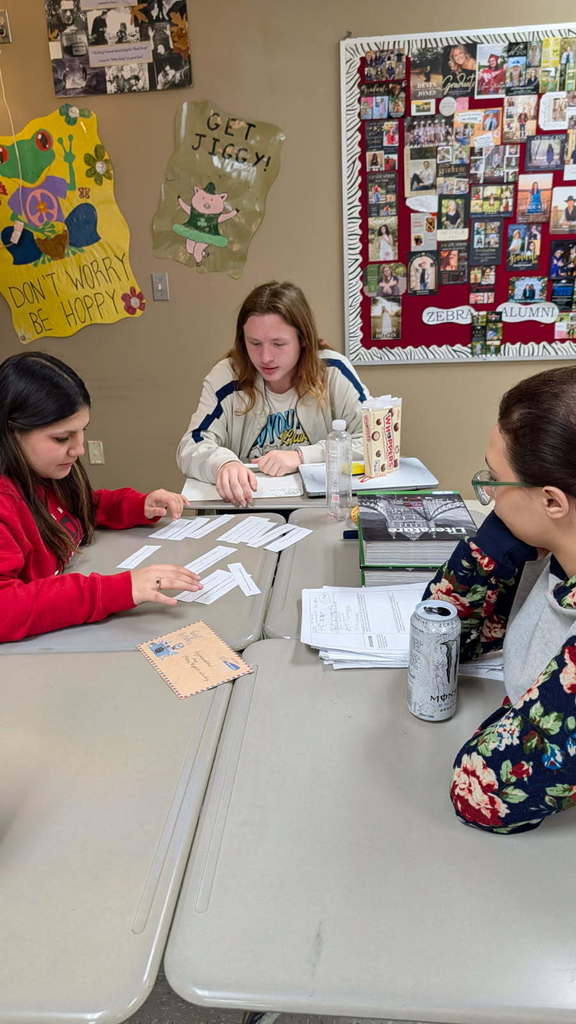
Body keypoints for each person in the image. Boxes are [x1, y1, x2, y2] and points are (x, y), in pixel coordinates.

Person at [425, 366, 576, 834]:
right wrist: (499, 538)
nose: (488, 493)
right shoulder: (553, 548)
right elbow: (446, 633)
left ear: (553, 501)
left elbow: (483, 793)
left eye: (495, 480)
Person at [0, 352, 201, 643]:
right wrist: (117, 590)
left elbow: (80, 508)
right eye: (62, 438)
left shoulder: (44, 472)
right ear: (12, 432)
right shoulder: (6, 501)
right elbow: (6, 608)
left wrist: (138, 505)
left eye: (82, 431)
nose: (79, 449)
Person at [177, 281, 370, 506]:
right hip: (246, 506)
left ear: (303, 340)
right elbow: (191, 445)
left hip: (321, 506)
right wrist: (223, 464)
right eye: (255, 343)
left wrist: (301, 457)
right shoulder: (226, 375)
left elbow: (375, 444)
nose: (265, 357)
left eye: (278, 344)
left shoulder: (333, 371)